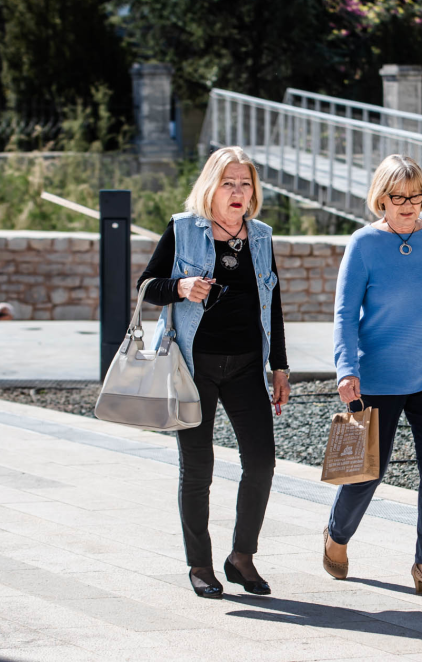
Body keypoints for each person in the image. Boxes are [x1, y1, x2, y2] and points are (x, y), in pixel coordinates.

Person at [137, 146, 290, 600]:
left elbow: (273, 305)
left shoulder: (259, 237)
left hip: (246, 366)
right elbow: (147, 286)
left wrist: (279, 367)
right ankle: (200, 564)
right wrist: (181, 287)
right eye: (229, 183)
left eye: (245, 183)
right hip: (193, 367)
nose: (238, 191)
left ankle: (241, 557)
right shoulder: (184, 230)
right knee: (198, 467)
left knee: (262, 462)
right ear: (211, 186)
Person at [324, 153, 422, 599]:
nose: (408, 205)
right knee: (367, 473)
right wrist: (346, 369)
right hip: (377, 380)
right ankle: (336, 536)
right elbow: (345, 313)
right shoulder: (364, 244)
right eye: (397, 197)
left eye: (416, 195)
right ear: (380, 198)